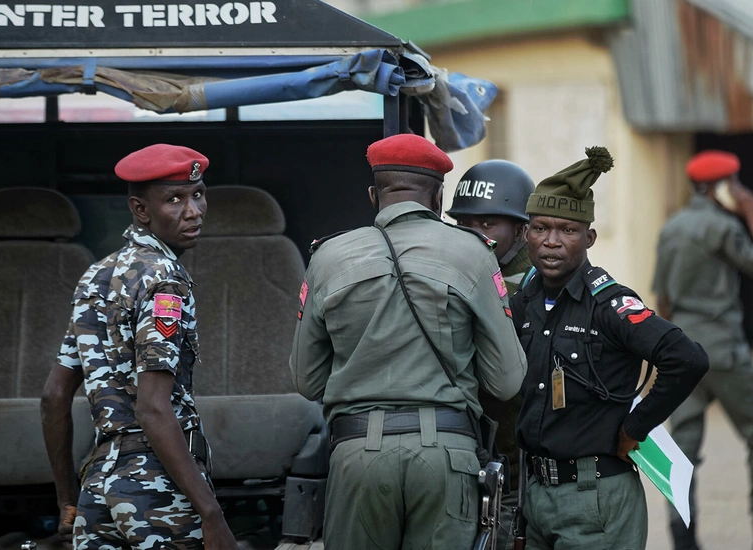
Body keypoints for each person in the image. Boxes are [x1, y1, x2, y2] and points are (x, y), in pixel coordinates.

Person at [289, 133, 527, 550]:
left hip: (356, 455)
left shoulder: (326, 257)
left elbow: (306, 382)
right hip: (447, 456)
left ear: (372, 194)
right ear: (437, 197)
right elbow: (506, 381)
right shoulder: (473, 253)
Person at [40, 144, 238, 550]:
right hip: (158, 487)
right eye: (174, 199)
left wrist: (67, 500)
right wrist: (211, 512)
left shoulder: (95, 275)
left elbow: (54, 396)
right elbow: (152, 405)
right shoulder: (164, 279)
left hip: (98, 487)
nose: (194, 211)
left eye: (198, 193)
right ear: (140, 209)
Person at [511, 146, 708, 549]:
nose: (551, 242)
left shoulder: (609, 304)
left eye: (567, 230)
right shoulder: (523, 301)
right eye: (541, 228)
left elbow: (687, 359)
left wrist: (636, 428)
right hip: (537, 496)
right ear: (525, 234)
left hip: (595, 498)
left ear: (589, 237)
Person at [654, 150, 753, 550]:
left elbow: (662, 299)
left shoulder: (672, 227)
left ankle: (683, 540)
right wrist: (748, 208)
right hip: (725, 352)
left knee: (682, 451)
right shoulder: (722, 226)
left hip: (684, 353)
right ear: (722, 187)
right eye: (736, 184)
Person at [446, 159, 535, 549]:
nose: (474, 236)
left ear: (520, 231)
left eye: (487, 226)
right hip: (474, 455)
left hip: (521, 461)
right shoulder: (454, 271)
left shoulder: (537, 282)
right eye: (464, 225)